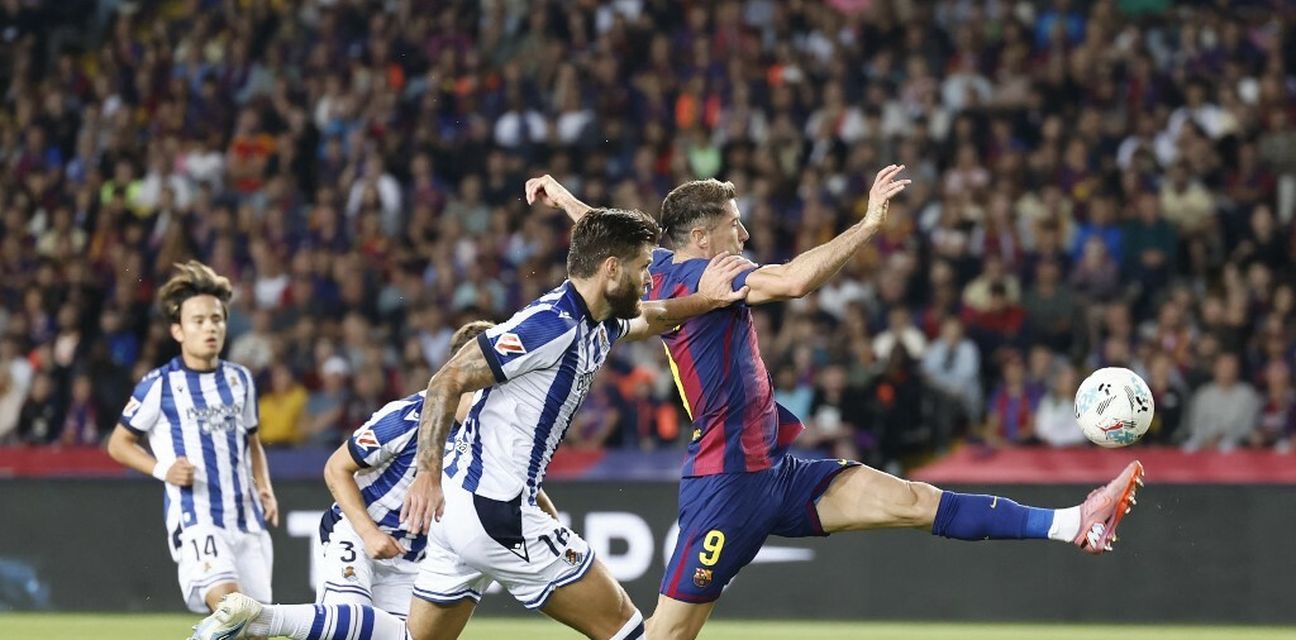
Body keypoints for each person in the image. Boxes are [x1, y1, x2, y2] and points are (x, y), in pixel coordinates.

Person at [527, 168, 1145, 640]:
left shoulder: (659, 268)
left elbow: (606, 233)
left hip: (775, 473)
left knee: (914, 501)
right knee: (665, 636)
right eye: (735, 224)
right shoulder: (713, 277)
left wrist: (564, 198)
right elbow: (795, 280)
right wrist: (870, 223)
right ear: (701, 236)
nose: (744, 234)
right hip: (726, 484)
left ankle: (1074, 523)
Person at [192, 208, 751, 640]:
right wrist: (426, 472)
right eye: (643, 268)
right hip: (496, 510)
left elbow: (654, 316)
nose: (649, 279)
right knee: (631, 633)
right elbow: (448, 379)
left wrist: (705, 301)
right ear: (610, 270)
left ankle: (261, 619)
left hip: (461, 514)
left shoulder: (600, 322)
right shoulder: (549, 324)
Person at [106, 261, 278, 620]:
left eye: (216, 319)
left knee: (255, 629)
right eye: (198, 321)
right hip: (198, 519)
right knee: (233, 609)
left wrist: (264, 486)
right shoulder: (159, 385)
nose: (209, 327)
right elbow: (118, 444)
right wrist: (163, 470)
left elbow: (253, 442)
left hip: (247, 521)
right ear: (178, 331)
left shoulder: (241, 380)